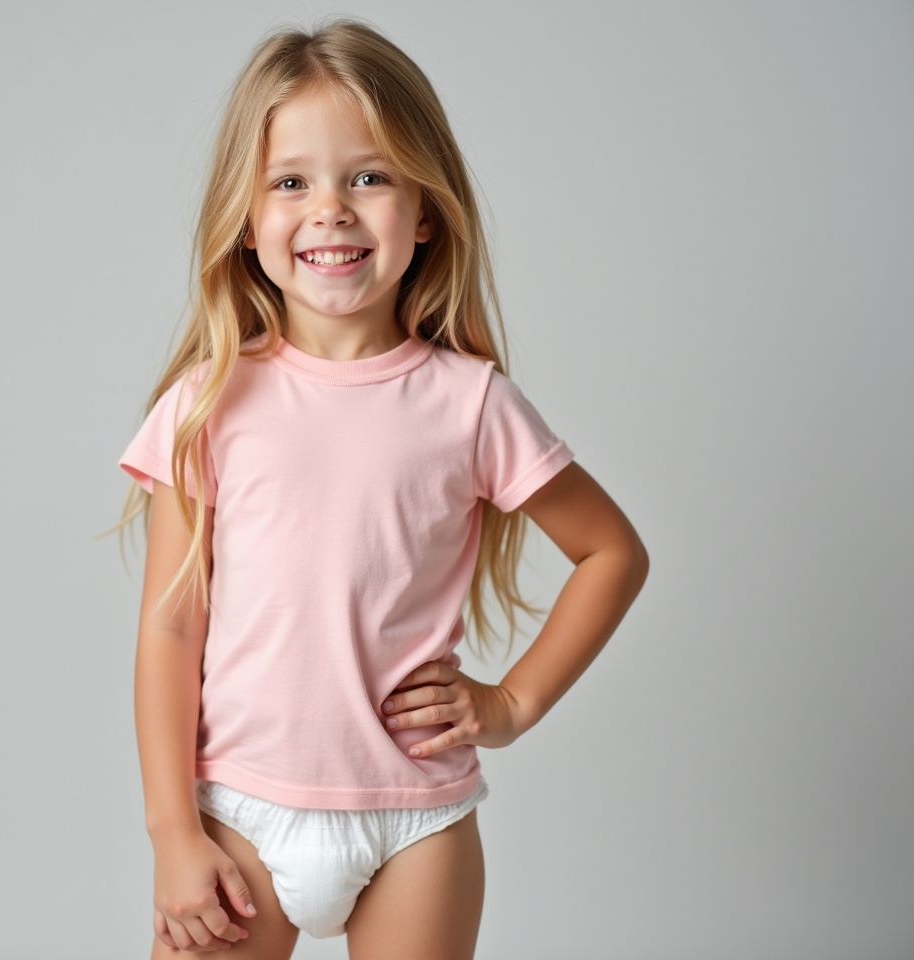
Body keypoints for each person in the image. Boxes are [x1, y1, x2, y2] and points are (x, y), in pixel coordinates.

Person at [112, 18, 648, 960]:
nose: (331, 210)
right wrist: (171, 834)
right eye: (291, 182)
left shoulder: (471, 404)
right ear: (246, 218)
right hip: (237, 809)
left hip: (417, 824)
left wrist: (511, 704)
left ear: (426, 209)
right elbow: (170, 626)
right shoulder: (208, 403)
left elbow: (612, 553)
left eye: (369, 175)